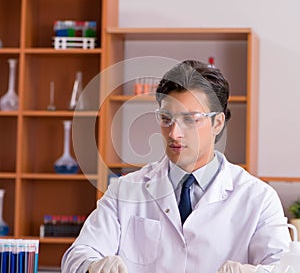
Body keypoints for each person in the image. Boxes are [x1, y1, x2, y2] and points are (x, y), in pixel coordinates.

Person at [61, 60, 291, 273]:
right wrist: (93, 266)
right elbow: (76, 256)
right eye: (165, 118)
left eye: (190, 119)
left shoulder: (258, 198)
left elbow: (283, 267)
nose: (174, 133)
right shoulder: (126, 190)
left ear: (217, 123)